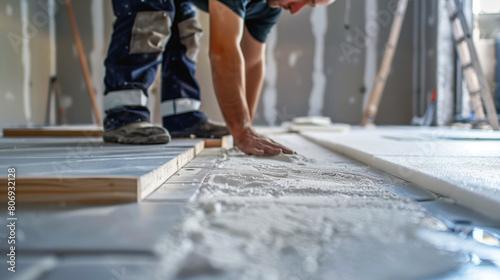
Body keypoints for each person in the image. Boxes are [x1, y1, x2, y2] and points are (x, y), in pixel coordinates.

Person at [102, 0, 335, 156]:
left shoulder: (269, 7)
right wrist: (240, 129)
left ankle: (182, 118)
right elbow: (223, 51)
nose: (296, 10)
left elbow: (252, 62)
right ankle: (123, 116)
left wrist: (247, 127)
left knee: (185, 32)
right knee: (150, 17)